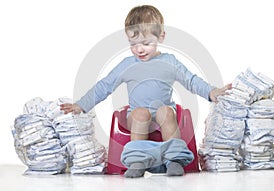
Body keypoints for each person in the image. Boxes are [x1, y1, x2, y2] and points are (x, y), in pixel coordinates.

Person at [60, 5, 231, 178]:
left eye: (146, 43)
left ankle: (174, 160)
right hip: (136, 117)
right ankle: (137, 160)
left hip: (164, 115)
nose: (139, 49)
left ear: (161, 37)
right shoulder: (127, 64)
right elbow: (104, 86)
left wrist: (212, 92)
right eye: (133, 44)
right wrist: (81, 105)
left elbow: (191, 80)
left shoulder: (169, 62)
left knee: (167, 112)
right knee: (140, 113)